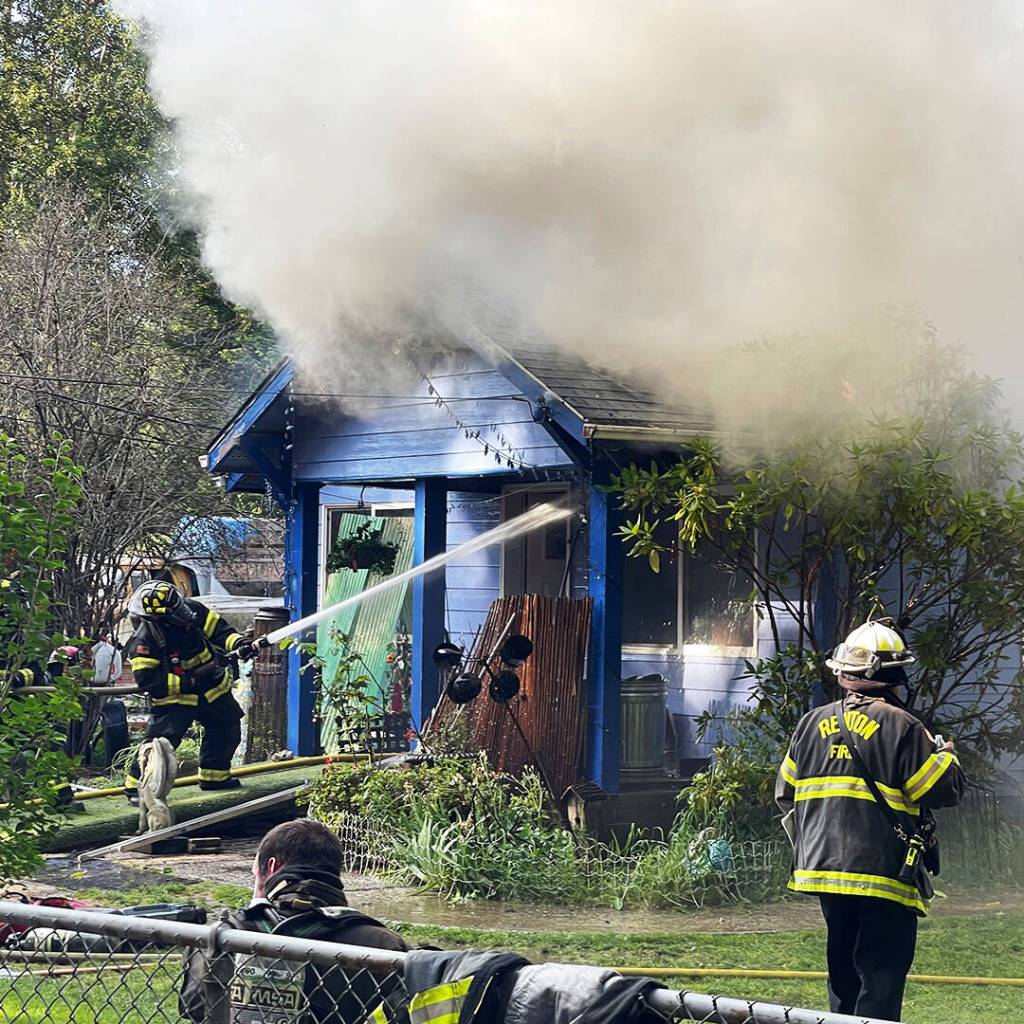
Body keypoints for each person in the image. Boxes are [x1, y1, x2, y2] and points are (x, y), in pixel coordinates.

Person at [776, 618, 965, 1021]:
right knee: (880, 973)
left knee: (843, 971)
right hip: (882, 873)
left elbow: (785, 792)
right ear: (896, 675)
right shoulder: (903, 727)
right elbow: (941, 791)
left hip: (823, 870)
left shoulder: (810, 724)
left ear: (843, 672)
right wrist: (946, 756)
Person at [179, 819, 409, 1023]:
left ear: (271, 867)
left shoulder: (223, 937)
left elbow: (194, 1008)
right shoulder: (385, 946)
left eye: (255, 874)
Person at [124, 580, 256, 796]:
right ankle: (136, 789)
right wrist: (187, 683)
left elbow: (220, 631)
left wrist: (239, 643)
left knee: (226, 727)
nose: (183, 613)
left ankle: (215, 778)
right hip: (175, 698)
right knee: (160, 745)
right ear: (157, 618)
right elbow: (148, 680)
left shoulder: (191, 609)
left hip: (212, 688)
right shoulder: (145, 641)